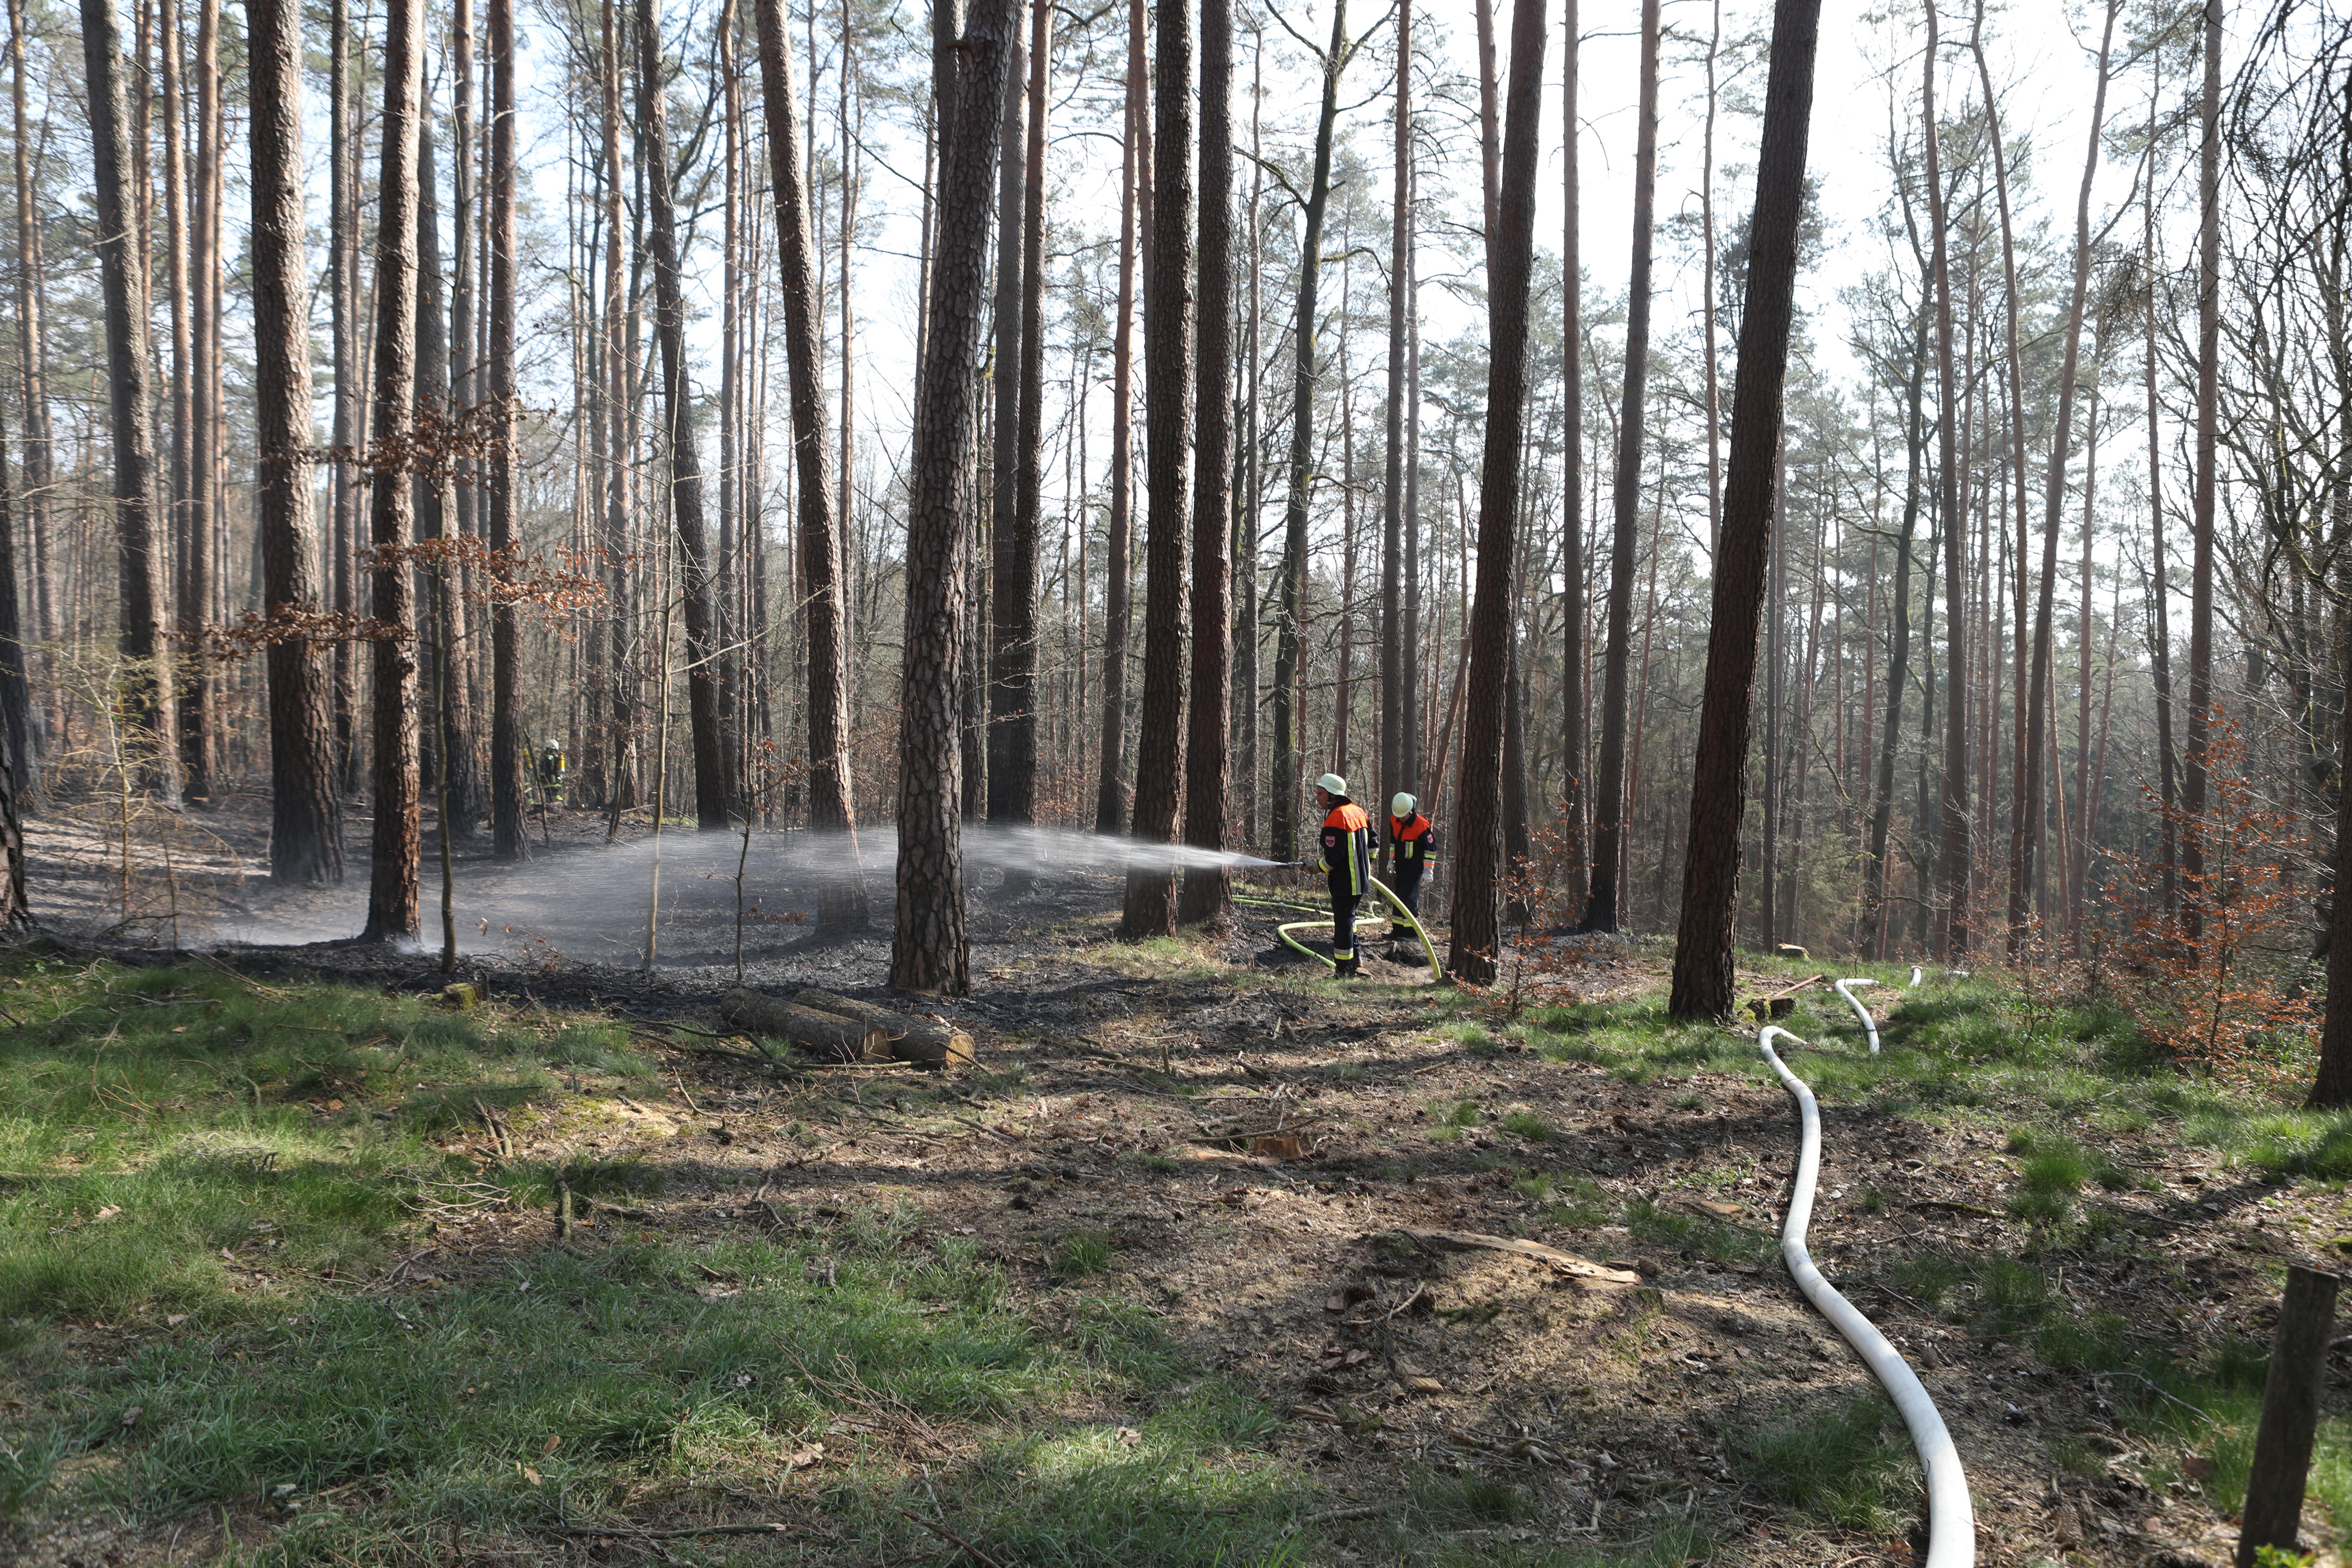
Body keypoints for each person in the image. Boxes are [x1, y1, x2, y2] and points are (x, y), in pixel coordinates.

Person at [1313, 772, 1374, 978]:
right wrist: (1366, 866)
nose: (1317, 798)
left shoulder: (1336, 819)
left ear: (1333, 795)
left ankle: (1343, 971)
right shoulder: (1359, 812)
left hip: (1345, 883)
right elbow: (1373, 844)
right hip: (1361, 882)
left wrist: (1316, 867)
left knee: (1343, 926)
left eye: (1321, 794)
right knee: (1350, 921)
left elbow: (1334, 858)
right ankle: (1356, 961)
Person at [1387, 792, 1435, 956]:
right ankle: (1398, 931)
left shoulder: (1421, 825)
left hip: (1415, 869)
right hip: (1401, 866)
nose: (1401, 819)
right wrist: (1391, 861)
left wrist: (1428, 872)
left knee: (1409, 900)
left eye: (1403, 816)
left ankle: (1412, 934)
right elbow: (1393, 843)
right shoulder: (1394, 819)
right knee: (1398, 899)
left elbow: (1431, 850)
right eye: (1398, 816)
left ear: (1411, 811)